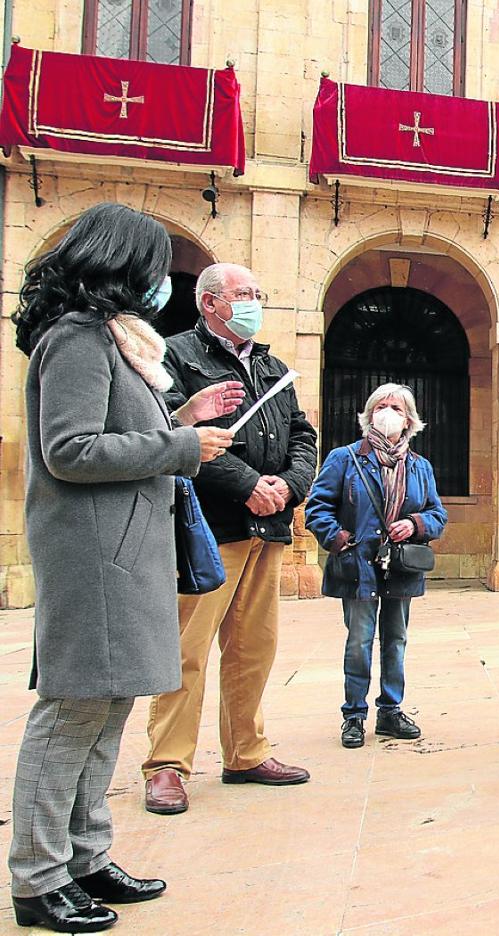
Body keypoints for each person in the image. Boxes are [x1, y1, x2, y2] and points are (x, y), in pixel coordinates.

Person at [9, 204, 239, 932]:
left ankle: (85, 856)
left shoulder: (113, 341)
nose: (159, 277)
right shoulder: (76, 339)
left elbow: (119, 433)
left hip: (124, 548)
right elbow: (69, 451)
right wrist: (180, 449)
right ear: (121, 263)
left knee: (107, 710)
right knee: (72, 712)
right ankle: (38, 876)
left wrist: (181, 423)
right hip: (92, 555)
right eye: (153, 261)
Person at [142, 262, 319, 815]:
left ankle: (246, 750)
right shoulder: (176, 357)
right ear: (210, 303)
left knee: (253, 648)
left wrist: (287, 487)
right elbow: (171, 435)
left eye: (258, 292)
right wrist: (247, 485)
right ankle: (167, 764)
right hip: (208, 528)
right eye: (245, 293)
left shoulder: (273, 365)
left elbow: (303, 436)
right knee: (187, 650)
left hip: (267, 528)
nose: (255, 301)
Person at [305, 384, 448, 748]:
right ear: (369, 414)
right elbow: (317, 507)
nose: (388, 412)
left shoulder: (420, 466)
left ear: (409, 419)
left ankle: (390, 710)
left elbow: (437, 514)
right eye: (381, 406)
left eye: (396, 407)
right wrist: (339, 539)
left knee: (395, 640)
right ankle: (354, 715)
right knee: (359, 641)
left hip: (400, 565)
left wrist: (415, 524)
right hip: (358, 565)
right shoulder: (344, 458)